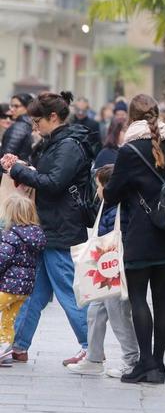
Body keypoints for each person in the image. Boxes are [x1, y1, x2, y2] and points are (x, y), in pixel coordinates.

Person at [104, 94, 165, 384]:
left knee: (138, 299)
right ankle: (158, 365)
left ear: (131, 118)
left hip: (141, 235)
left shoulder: (130, 150)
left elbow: (112, 195)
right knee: (162, 302)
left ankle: (144, 363)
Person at [2, 91, 94, 365]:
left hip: (60, 229)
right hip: (48, 227)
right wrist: (24, 167)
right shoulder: (56, 143)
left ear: (53, 117)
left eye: (37, 120)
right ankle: (16, 346)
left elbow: (54, 182)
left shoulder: (68, 145)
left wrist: (19, 171)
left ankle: (91, 347)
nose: (34, 126)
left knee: (67, 292)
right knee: (33, 292)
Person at [66, 165, 140, 378]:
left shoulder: (120, 208)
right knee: (95, 312)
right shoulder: (108, 206)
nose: (97, 190)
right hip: (105, 269)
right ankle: (94, 358)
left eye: (98, 185)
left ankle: (131, 360)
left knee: (118, 315)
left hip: (114, 269)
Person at [0, 194, 46, 366]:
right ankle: (3, 351)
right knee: (8, 320)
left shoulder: (10, 235)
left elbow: (2, 259)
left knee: (7, 319)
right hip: (24, 291)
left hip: (7, 287)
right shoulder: (36, 235)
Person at [2, 93, 34, 162]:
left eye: (16, 106)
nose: (12, 109)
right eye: (11, 106)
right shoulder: (31, 124)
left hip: (14, 169)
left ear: (27, 107)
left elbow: (7, 157)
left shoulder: (18, 127)